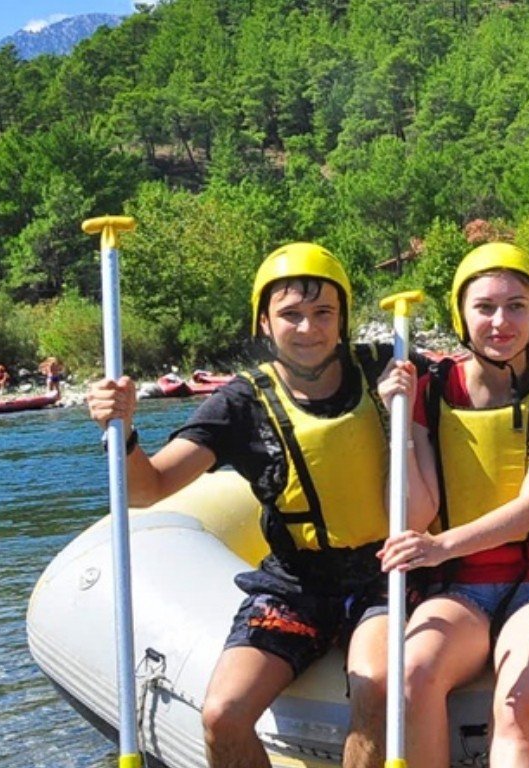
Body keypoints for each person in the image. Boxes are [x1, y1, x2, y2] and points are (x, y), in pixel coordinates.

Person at [85, 243, 417, 768]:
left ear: (342, 317)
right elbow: (148, 488)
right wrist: (120, 431)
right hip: (296, 585)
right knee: (223, 714)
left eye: (323, 312)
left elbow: (479, 388)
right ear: (264, 321)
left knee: (375, 686)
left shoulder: (386, 366)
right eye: (290, 314)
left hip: (383, 572)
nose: (308, 328)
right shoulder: (241, 404)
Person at [378, 243, 529, 768]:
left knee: (515, 711)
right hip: (462, 588)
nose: (501, 322)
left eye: (516, 306)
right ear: (461, 315)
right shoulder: (429, 391)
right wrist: (398, 422)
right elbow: (416, 514)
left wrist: (438, 547)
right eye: (485, 307)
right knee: (411, 677)